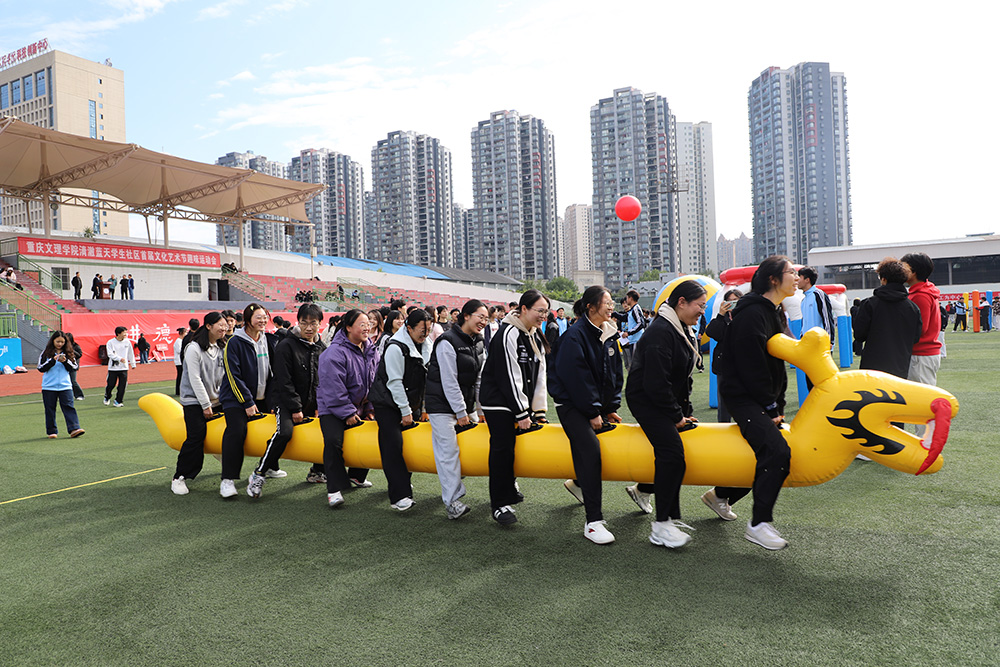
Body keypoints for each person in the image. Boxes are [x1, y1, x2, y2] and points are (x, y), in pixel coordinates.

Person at [703, 255, 798, 550]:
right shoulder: (753, 313)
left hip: (763, 398)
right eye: (791, 272)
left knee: (762, 452)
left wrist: (776, 403)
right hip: (745, 398)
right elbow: (752, 366)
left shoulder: (773, 311)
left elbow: (775, 362)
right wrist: (769, 407)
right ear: (773, 279)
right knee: (776, 451)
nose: (797, 277)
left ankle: (721, 495)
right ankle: (759, 523)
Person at [625, 280, 707, 548]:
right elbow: (655, 384)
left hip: (662, 399)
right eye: (700, 305)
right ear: (681, 302)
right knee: (671, 455)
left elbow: (682, 377)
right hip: (646, 400)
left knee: (675, 454)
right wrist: (676, 416)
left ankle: (651, 498)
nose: (702, 311)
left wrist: (683, 412)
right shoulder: (661, 331)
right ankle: (661, 525)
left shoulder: (681, 328)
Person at [548, 286, 623, 545]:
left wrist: (609, 407)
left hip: (594, 405)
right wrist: (592, 411)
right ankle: (593, 522)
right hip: (571, 404)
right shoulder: (574, 337)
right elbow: (576, 378)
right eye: (606, 302)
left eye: (612, 302)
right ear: (590, 307)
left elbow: (614, 374)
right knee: (590, 449)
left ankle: (578, 484)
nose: (611, 307)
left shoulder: (608, 333)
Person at [480, 290, 550, 526]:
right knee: (502, 448)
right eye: (539, 311)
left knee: (514, 448)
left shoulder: (535, 335)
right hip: (497, 401)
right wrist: (522, 412)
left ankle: (509, 489)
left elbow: (540, 375)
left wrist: (538, 411)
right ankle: (499, 504)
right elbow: (509, 376)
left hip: (517, 401)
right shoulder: (508, 333)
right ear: (524, 309)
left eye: (546, 311)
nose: (543, 315)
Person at [247, 303, 328, 498]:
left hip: (311, 401)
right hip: (284, 401)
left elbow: (323, 379)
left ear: (320, 324)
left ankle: (317, 471)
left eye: (313, 323)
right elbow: (284, 380)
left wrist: (320, 405)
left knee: (326, 431)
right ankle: (259, 473)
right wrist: (295, 407)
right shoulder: (286, 346)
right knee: (284, 433)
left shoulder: (321, 348)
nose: (308, 328)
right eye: (304, 323)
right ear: (297, 322)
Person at [425, 299, 488, 520]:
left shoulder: (479, 342)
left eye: (486, 318)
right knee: (448, 451)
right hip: (441, 405)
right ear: (466, 316)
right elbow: (448, 380)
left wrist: (480, 410)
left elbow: (479, 380)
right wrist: (461, 412)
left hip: (465, 404)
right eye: (480, 316)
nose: (484, 321)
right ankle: (452, 502)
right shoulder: (447, 341)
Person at [369, 308, 432, 511]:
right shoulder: (395, 347)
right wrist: (405, 411)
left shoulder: (426, 345)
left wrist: (421, 408)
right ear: (409, 328)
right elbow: (394, 382)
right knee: (393, 445)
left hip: (410, 402)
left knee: (409, 444)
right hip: (387, 402)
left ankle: (402, 482)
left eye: (428, 330)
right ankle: (399, 496)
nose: (425, 334)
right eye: (422, 330)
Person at [317, 309, 379, 507]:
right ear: (349, 327)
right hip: (332, 408)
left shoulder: (371, 350)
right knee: (333, 442)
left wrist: (370, 408)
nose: (367, 328)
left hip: (360, 407)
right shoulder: (334, 353)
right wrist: (347, 412)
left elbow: (375, 383)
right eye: (362, 324)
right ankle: (334, 489)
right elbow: (333, 387)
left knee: (372, 435)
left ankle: (357, 476)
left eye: (368, 324)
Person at [218, 303, 273, 499]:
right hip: (236, 398)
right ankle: (227, 480)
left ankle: (269, 467)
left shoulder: (267, 339)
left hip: (261, 396)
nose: (263, 321)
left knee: (275, 429)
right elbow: (233, 376)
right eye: (258, 317)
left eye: (265, 317)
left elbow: (271, 371)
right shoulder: (234, 342)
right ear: (248, 320)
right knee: (236, 431)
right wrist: (247, 402)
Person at [172, 312, 228, 495]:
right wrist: (205, 404)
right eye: (220, 325)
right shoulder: (193, 348)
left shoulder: (221, 346)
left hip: (216, 400)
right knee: (196, 437)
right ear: (208, 326)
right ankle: (180, 476)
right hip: (194, 401)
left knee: (228, 431)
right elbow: (194, 378)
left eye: (226, 325)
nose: (224, 328)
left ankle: (222, 457)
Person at [852, 258, 921, 379]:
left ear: (883, 279)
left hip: (872, 366)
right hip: (900, 366)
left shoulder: (869, 304)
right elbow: (915, 337)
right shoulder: (913, 308)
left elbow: (859, 335)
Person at [901, 252, 942, 389]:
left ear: (913, 272)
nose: (900, 270)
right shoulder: (924, 290)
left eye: (903, 267)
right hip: (922, 354)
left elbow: (920, 328)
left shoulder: (921, 295)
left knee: (922, 396)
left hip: (920, 354)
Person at [38, 331, 85, 439]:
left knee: (69, 407)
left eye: (62, 342)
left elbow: (74, 367)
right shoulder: (46, 353)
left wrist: (65, 361)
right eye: (57, 341)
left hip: (65, 386)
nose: (60, 344)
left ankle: (74, 429)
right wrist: (52, 361)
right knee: (50, 409)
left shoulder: (69, 353)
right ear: (53, 341)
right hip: (49, 386)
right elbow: (40, 368)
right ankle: (52, 431)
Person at [705, 289, 742, 423]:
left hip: (742, 363)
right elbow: (711, 332)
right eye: (729, 301)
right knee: (724, 401)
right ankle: (723, 425)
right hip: (724, 365)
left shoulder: (745, 316)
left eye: (735, 301)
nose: (732, 304)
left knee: (743, 399)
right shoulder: (722, 319)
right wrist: (720, 314)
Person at [798, 265, 836, 344]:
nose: (797, 280)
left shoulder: (818, 295)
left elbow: (827, 318)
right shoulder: (803, 300)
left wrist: (830, 341)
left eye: (800, 277)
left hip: (820, 342)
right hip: (807, 343)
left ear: (807, 280)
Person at [104, 326, 136, 407]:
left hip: (124, 368)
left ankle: (118, 401)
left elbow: (130, 353)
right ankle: (107, 396)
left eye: (126, 332)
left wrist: (133, 363)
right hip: (113, 368)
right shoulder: (110, 342)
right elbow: (110, 354)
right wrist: (119, 358)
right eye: (124, 333)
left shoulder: (127, 342)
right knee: (111, 385)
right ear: (118, 333)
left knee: (122, 386)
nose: (126, 334)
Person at [620, 289, 647, 370]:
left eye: (627, 298)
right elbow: (624, 318)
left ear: (631, 298)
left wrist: (628, 333)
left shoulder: (636, 308)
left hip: (637, 340)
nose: (626, 300)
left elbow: (641, 323)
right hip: (633, 341)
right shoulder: (631, 310)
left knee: (637, 364)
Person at [64, 332, 85, 400]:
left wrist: (71, 350)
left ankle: (79, 395)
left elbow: (79, 355)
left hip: (72, 366)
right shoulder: (63, 346)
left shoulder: (76, 346)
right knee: (64, 381)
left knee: (73, 381)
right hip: (64, 365)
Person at [173, 328, 187, 395]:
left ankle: (181, 390)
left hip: (181, 361)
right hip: (179, 361)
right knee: (180, 376)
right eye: (185, 332)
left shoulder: (181, 341)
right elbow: (179, 350)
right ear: (182, 333)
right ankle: (178, 391)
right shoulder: (178, 341)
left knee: (181, 376)